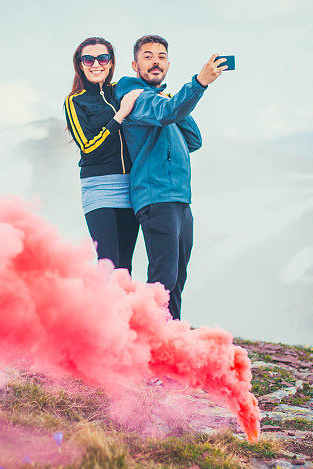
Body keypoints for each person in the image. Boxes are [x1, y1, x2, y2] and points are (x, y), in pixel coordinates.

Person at [115, 35, 226, 319]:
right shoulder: (135, 96)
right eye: (148, 56)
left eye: (162, 57)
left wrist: (175, 102)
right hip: (156, 196)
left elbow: (194, 140)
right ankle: (148, 345)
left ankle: (170, 343)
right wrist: (198, 84)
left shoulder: (160, 100)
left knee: (176, 280)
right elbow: (166, 114)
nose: (156, 62)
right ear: (134, 64)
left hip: (178, 198)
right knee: (163, 280)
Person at [63, 37, 144, 273]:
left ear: (111, 63)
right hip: (98, 187)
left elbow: (151, 92)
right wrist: (120, 115)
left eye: (102, 58)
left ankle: (123, 310)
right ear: (80, 64)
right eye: (88, 59)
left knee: (124, 266)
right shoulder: (74, 101)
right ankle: (102, 309)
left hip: (130, 186)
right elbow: (89, 148)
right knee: (108, 263)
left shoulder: (120, 90)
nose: (95, 64)